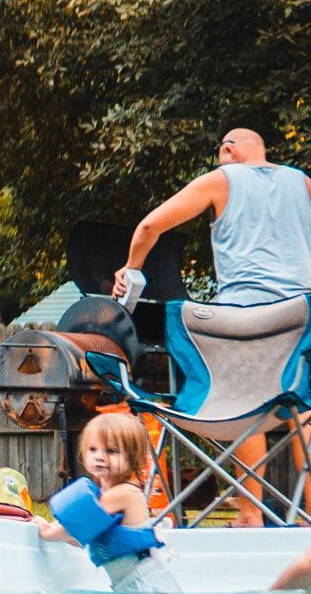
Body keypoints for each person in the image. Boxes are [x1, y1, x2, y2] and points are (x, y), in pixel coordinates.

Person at [114, 127, 311, 525]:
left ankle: (250, 517)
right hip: (302, 316)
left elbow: (150, 226)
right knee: (305, 413)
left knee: (245, 402)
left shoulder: (221, 179)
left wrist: (130, 268)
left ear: (229, 150)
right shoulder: (303, 183)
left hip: (243, 318)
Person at [36, 413, 180, 594]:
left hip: (148, 585)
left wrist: (45, 531)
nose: (100, 457)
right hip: (132, 586)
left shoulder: (124, 493)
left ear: (133, 457)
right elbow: (77, 535)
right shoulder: (104, 496)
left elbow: (75, 526)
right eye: (93, 449)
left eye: (111, 451)